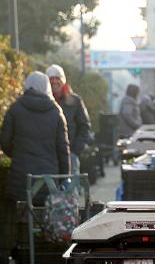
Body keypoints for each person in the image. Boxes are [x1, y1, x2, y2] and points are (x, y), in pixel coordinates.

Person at [1, 72, 70, 204]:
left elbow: (4, 141)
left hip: (21, 180)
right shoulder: (56, 111)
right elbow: (63, 148)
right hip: (49, 181)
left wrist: (16, 154)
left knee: (19, 216)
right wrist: (65, 177)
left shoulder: (15, 108)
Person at [46, 64, 91, 175]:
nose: (55, 81)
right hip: (47, 156)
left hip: (70, 154)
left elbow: (84, 125)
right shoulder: (43, 101)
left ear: (63, 80)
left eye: (58, 78)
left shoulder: (75, 101)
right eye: (51, 78)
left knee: (71, 189)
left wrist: (76, 151)